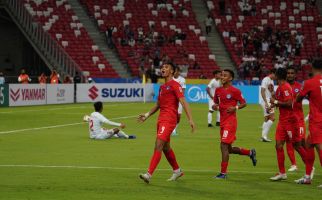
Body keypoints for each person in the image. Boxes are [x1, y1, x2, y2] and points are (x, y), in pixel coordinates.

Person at [138, 62, 195, 184]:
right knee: (165, 147)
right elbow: (158, 105)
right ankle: (177, 170)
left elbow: (184, 102)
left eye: (166, 67)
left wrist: (190, 119)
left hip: (169, 119)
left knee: (158, 145)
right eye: (162, 67)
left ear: (172, 72)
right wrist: (147, 115)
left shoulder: (175, 85)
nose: (163, 69)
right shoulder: (162, 87)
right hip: (161, 119)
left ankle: (148, 174)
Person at [213, 69, 257, 179]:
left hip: (230, 122)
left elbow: (244, 103)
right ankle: (250, 152)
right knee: (229, 149)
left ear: (230, 78)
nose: (222, 77)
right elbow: (216, 104)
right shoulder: (218, 90)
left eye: (225, 76)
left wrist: (235, 107)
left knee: (223, 145)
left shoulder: (235, 91)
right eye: (222, 75)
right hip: (223, 122)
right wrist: (215, 107)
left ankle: (223, 173)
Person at [268, 68, 310, 182]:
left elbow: (289, 103)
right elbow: (277, 101)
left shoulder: (285, 87)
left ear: (277, 76)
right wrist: (272, 101)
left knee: (297, 145)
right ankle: (282, 173)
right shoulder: (280, 88)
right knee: (278, 145)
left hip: (290, 121)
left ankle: (309, 169)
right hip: (282, 121)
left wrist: (275, 102)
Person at [294, 58, 322, 186]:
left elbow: (299, 98)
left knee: (319, 147)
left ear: (312, 68)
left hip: (317, 120)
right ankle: (307, 177)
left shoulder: (309, 82)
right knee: (308, 144)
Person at [285, 66, 306, 172]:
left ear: (295, 75)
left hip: (299, 120)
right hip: (288, 120)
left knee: (302, 142)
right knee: (289, 142)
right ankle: (294, 164)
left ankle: (309, 162)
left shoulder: (300, 86)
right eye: (288, 73)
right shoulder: (283, 87)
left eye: (292, 73)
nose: (290, 75)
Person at [260, 69, 276, 142]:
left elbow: (272, 92)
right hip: (266, 100)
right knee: (272, 118)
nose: (276, 77)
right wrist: (266, 102)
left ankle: (262, 136)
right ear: (272, 73)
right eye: (275, 75)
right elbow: (262, 91)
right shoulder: (266, 79)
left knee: (267, 118)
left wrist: (274, 102)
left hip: (269, 101)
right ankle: (264, 136)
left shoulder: (271, 80)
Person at [172, 67, 186, 136]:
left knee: (178, 116)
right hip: (172, 100)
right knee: (172, 115)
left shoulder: (182, 79)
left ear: (178, 72)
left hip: (179, 99)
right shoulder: (170, 79)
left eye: (177, 71)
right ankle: (173, 130)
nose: (175, 72)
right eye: (174, 71)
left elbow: (183, 90)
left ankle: (175, 129)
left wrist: (180, 98)